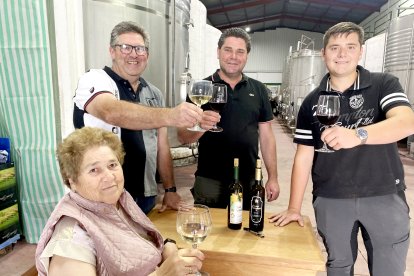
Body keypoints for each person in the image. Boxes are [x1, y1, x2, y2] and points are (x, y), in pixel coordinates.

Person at [269, 22, 414, 275]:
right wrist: (294, 207)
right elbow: (304, 156)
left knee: (388, 269)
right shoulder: (312, 101)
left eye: (350, 47)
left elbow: (406, 122)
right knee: (338, 266)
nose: (342, 54)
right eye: (334, 48)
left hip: (382, 195)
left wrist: (359, 134)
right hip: (331, 198)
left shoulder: (383, 84)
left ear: (361, 51)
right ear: (324, 54)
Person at [35, 127, 204, 276]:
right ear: (72, 180)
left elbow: (139, 240)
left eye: (112, 165)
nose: (109, 177)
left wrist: (168, 247)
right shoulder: (71, 238)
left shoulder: (119, 200)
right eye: (94, 170)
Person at [73, 21, 202, 214]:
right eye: (125, 47)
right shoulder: (94, 80)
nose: (133, 54)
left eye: (140, 49)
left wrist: (170, 189)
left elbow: (162, 146)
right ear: (112, 51)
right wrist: (171, 114)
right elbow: (112, 112)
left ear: (147, 56)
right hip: (104, 195)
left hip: (145, 195)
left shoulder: (154, 93)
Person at [177, 28, 280, 210]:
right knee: (208, 231)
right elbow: (183, 137)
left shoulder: (258, 89)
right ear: (218, 52)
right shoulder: (201, 88)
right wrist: (200, 126)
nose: (234, 56)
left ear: (247, 55)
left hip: (249, 178)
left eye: (240, 51)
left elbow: (266, 137)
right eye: (228, 50)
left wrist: (273, 177)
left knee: (248, 232)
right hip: (209, 179)